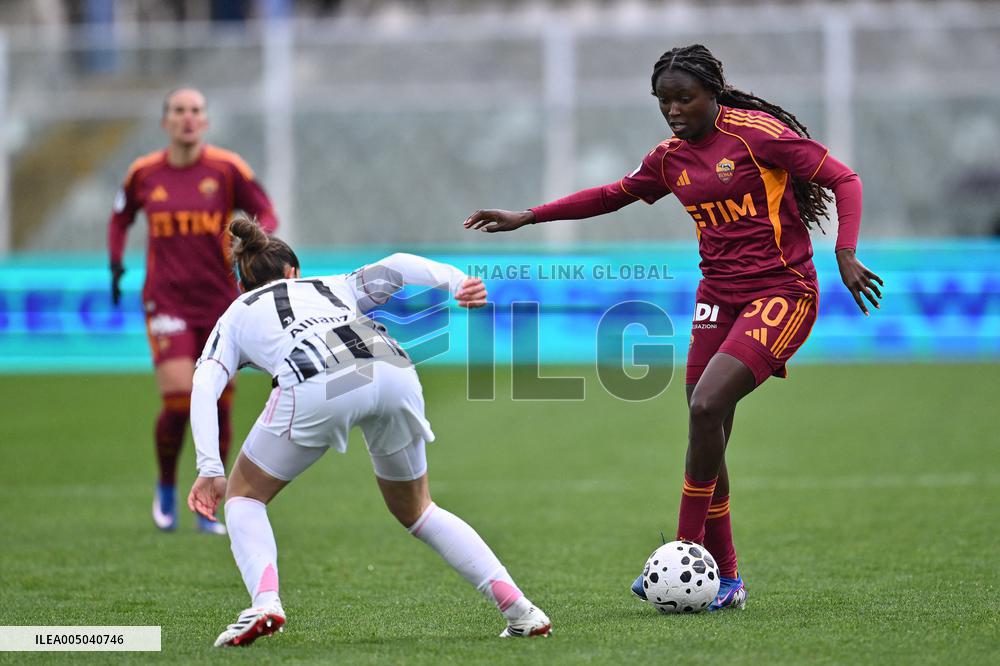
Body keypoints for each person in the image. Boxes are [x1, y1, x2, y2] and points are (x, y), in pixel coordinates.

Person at [464, 44, 883, 611]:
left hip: (783, 291)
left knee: (707, 407)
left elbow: (845, 179)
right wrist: (529, 216)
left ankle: (685, 552)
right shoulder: (669, 158)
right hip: (717, 296)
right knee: (706, 423)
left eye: (684, 99)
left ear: (713, 93)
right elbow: (612, 195)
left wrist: (846, 251)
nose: (673, 110)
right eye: (664, 101)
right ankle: (727, 579)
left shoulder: (756, 136)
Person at [186, 216, 553, 646]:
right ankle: (521, 609)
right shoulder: (330, 285)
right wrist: (457, 282)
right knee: (418, 510)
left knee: (245, 496)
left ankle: (266, 601)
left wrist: (210, 466)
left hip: (317, 378)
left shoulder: (235, 313)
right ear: (292, 272)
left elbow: (204, 383)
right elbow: (397, 265)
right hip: (392, 365)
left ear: (242, 284)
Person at [108, 88, 279, 535]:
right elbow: (119, 217)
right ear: (166, 121)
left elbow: (265, 211)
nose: (188, 118)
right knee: (181, 396)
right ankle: (166, 485)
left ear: (205, 121)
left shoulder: (227, 169)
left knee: (220, 400)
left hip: (221, 302)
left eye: (197, 111)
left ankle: (208, 500)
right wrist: (115, 261)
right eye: (180, 111)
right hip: (166, 300)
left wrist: (259, 248)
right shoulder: (144, 173)